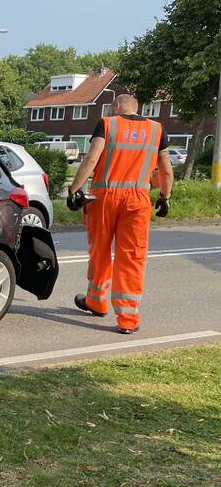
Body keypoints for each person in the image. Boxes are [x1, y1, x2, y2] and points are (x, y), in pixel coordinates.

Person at [66, 94, 173, 334]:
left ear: (116, 107)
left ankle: (97, 301)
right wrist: (165, 197)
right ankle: (128, 319)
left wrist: (74, 190)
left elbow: (92, 157)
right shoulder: (157, 129)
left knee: (100, 250)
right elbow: (165, 168)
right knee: (132, 257)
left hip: (103, 197)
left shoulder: (107, 123)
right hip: (138, 201)